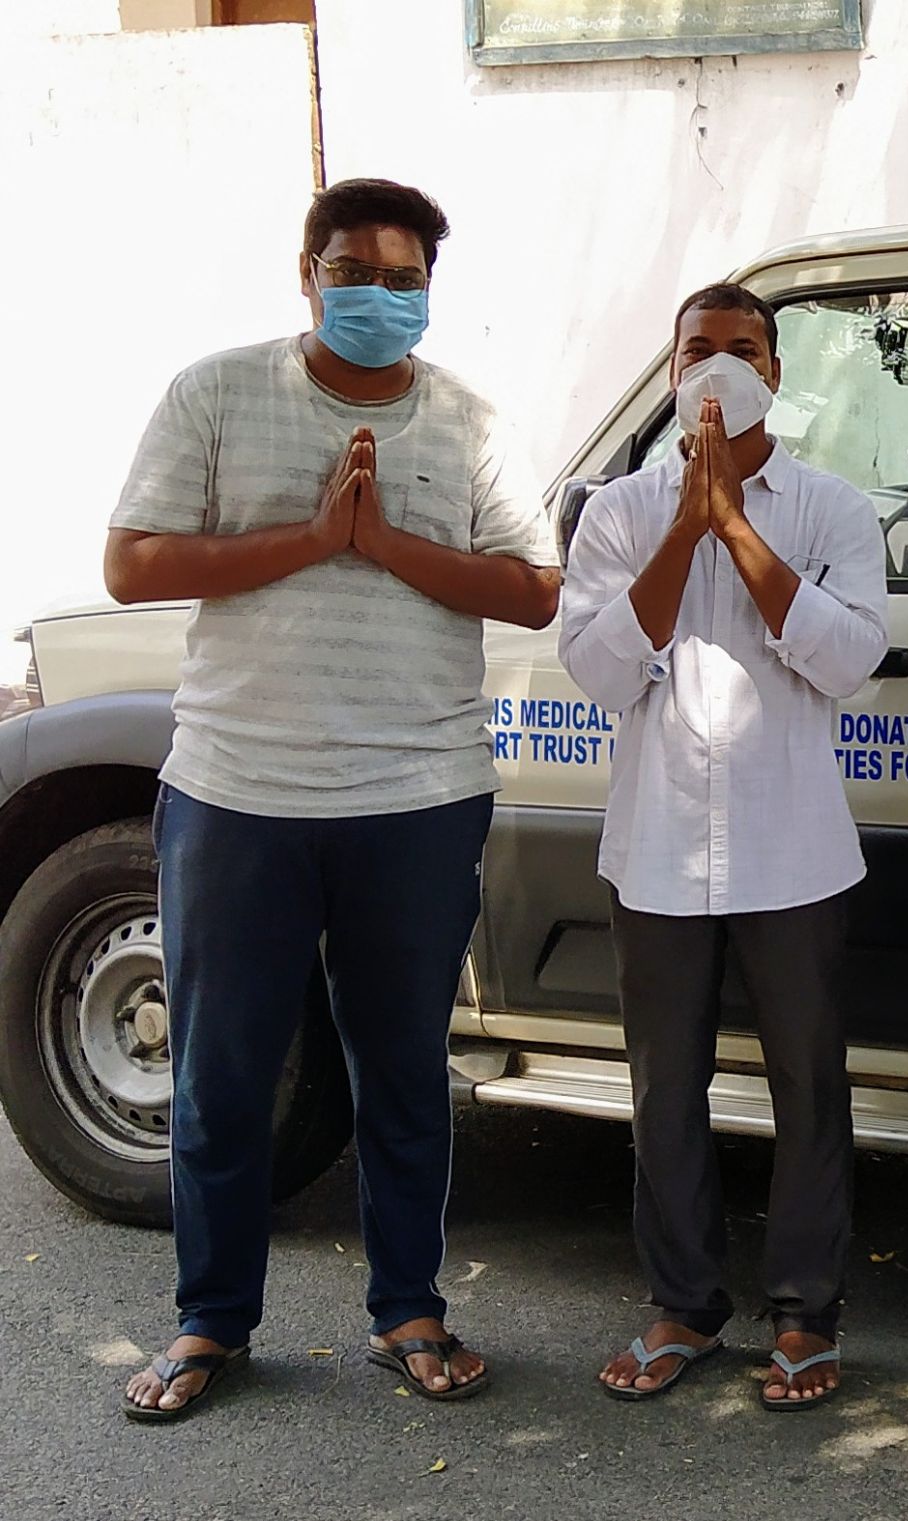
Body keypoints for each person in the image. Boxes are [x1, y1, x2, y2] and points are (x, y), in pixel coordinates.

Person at [109, 179, 561, 1422]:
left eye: (404, 276)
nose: (378, 294)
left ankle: (407, 1308)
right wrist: (309, 539)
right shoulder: (216, 392)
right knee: (219, 1076)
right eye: (352, 269)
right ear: (305, 273)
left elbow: (532, 590)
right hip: (237, 791)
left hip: (416, 795)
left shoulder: (469, 423)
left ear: (430, 289)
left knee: (406, 1070)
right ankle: (210, 1323)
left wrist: (377, 544)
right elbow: (133, 560)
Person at [561, 284, 887, 1410]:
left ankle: (805, 1314)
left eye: (741, 350)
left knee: (808, 1086)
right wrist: (684, 528)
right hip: (655, 851)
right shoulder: (615, 513)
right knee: (664, 1091)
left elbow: (845, 659)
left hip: (790, 850)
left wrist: (737, 528)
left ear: (776, 373)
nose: (717, 368)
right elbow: (601, 670)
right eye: (696, 349)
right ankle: (682, 1305)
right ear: (668, 375)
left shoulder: (833, 509)